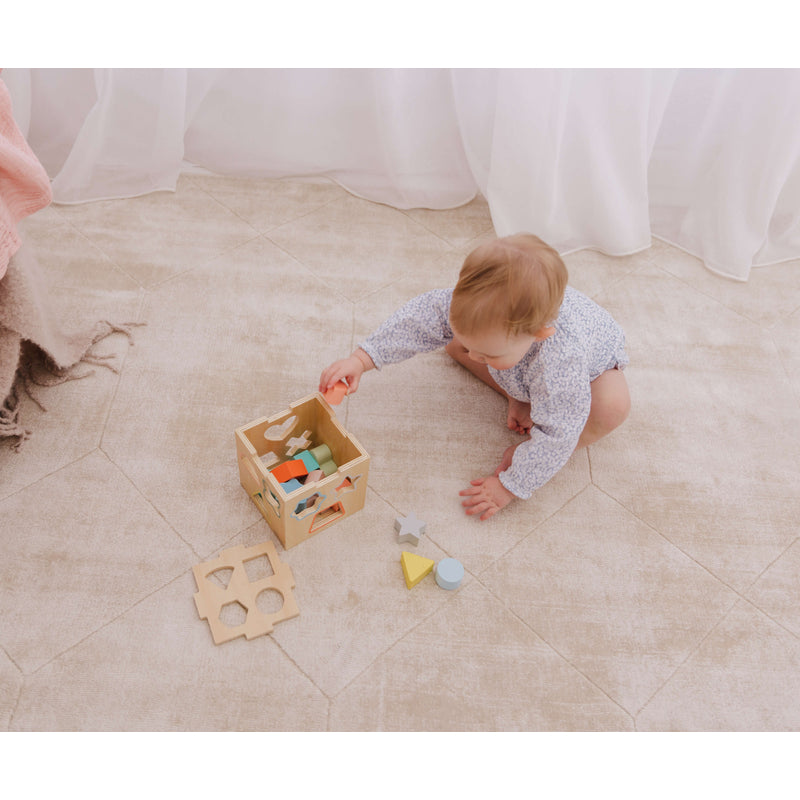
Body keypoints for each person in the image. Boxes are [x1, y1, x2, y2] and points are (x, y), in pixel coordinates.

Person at [318, 233, 630, 520]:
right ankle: (517, 393)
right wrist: (362, 359)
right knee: (456, 348)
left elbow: (559, 434)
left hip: (592, 372)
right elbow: (418, 320)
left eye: (490, 354)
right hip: (525, 368)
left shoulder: (561, 362)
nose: (478, 358)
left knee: (611, 407)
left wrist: (511, 483)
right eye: (476, 348)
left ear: (538, 334)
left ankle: (526, 399)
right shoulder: (476, 312)